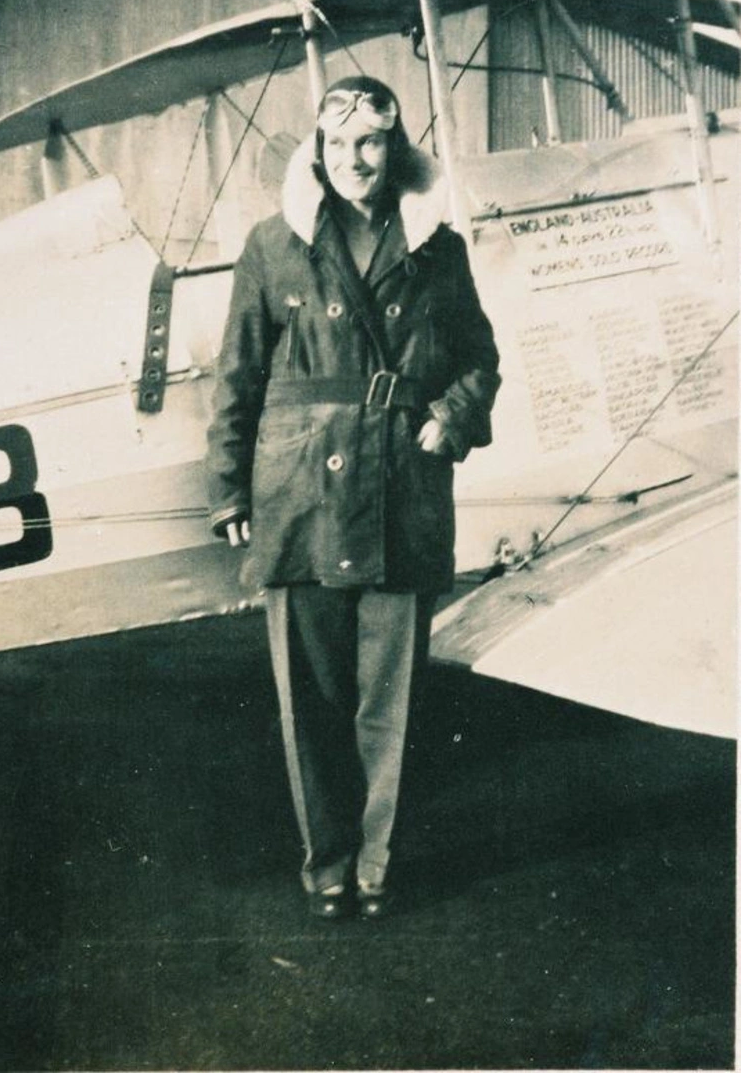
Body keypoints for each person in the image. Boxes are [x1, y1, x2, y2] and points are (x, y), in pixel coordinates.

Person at [206, 75, 500, 919]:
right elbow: (238, 376)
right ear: (317, 151)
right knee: (312, 700)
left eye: (369, 143)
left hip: (403, 483)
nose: (354, 160)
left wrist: (452, 417)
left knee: (389, 703)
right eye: (337, 145)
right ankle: (326, 867)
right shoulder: (273, 244)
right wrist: (230, 488)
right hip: (299, 492)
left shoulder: (438, 245)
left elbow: (480, 357)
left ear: (396, 148)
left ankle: (377, 869)